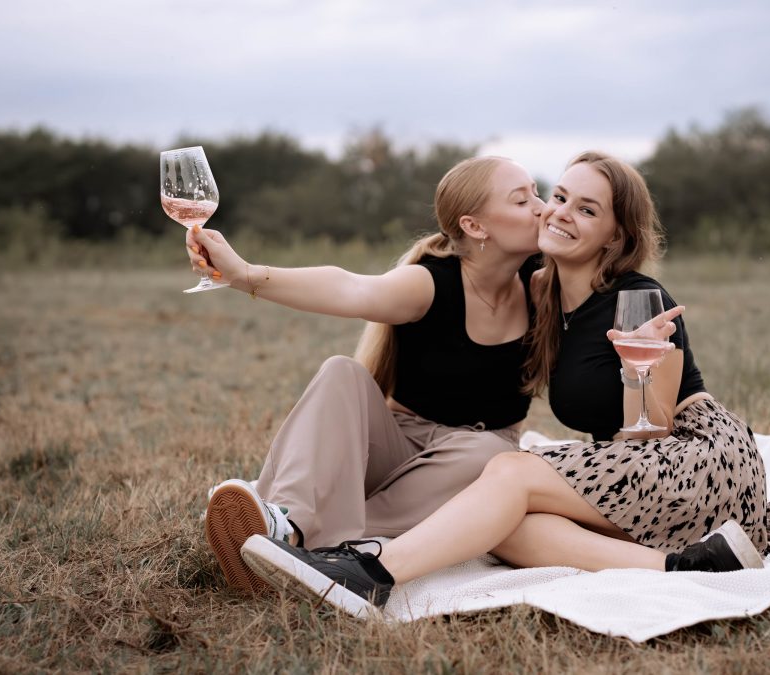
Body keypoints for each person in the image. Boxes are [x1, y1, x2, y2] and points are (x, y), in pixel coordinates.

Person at [239, 151, 770, 615]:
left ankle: (368, 573)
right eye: (558, 196)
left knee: (509, 470)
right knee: (500, 525)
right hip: (646, 481)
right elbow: (354, 287)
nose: (556, 212)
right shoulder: (550, 296)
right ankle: (693, 566)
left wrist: (639, 369)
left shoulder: (636, 300)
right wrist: (245, 275)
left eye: (586, 210)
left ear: (614, 236)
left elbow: (652, 434)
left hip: (699, 457)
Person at [190, 156, 545, 594]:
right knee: (341, 372)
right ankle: (288, 522)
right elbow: (349, 288)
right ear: (475, 226)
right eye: (522, 200)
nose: (542, 207)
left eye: (537, 193)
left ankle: (301, 544)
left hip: (465, 465)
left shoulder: (544, 283)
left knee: (491, 454)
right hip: (396, 445)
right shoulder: (430, 282)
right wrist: (243, 274)